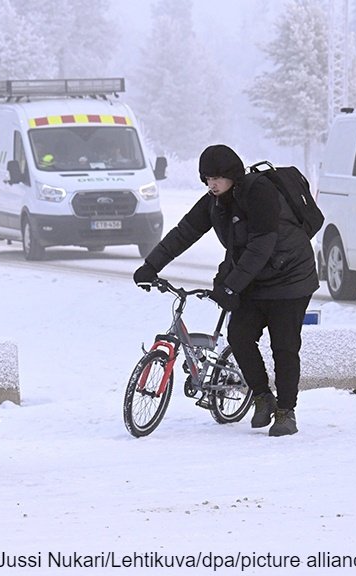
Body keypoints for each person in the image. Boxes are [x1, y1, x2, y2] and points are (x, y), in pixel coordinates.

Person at [133, 144, 318, 436]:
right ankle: (262, 397)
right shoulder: (215, 201)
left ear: (233, 175)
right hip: (254, 280)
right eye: (207, 178)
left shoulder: (260, 193)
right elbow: (184, 232)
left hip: (289, 279)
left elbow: (261, 246)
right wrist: (151, 266)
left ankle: (286, 412)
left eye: (218, 177)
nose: (212, 184)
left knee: (284, 346)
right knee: (240, 336)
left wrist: (230, 286)